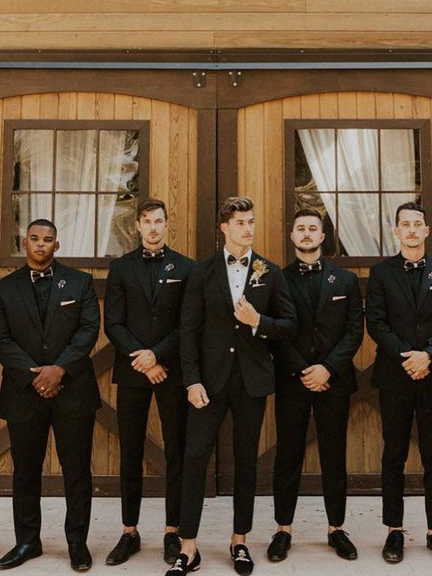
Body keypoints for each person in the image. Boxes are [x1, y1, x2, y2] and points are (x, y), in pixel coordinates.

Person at [167, 196, 297, 576]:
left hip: (251, 382)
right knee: (194, 461)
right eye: (240, 223)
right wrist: (191, 380)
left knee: (245, 463)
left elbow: (289, 325)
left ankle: (239, 541)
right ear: (224, 228)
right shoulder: (201, 272)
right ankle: (188, 547)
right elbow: (188, 331)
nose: (248, 228)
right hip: (207, 382)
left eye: (251, 222)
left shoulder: (270, 272)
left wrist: (259, 321)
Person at [0, 219, 101, 572]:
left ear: (57, 244)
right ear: (25, 244)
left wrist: (59, 369)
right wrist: (34, 375)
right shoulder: (4, 290)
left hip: (73, 391)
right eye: (34, 239)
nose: (40, 244)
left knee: (77, 471)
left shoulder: (80, 282)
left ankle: (77, 544)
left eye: (47, 240)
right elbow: (0, 338)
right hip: (25, 392)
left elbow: (88, 330)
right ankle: (27, 541)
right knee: (25, 471)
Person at [366, 201, 432, 565]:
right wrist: (408, 356)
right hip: (396, 376)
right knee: (394, 455)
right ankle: (394, 530)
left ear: (426, 230)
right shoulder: (381, 274)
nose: (410, 229)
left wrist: (429, 355)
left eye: (416, 224)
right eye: (404, 224)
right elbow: (376, 323)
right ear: (396, 231)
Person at [268, 209, 364, 563]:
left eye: (313, 229)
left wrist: (326, 368)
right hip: (293, 380)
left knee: (334, 455)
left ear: (323, 237)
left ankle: (336, 528)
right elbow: (276, 332)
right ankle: (282, 529)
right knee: (287, 455)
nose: (307, 234)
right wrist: (302, 370)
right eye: (301, 229)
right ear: (292, 237)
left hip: (334, 381)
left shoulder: (346, 281)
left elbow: (355, 331)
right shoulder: (277, 279)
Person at [104, 199, 193, 566]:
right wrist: (143, 360)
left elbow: (187, 324)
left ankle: (173, 531)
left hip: (172, 371)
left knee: (177, 451)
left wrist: (158, 355)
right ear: (138, 226)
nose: (153, 227)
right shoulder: (121, 268)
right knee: (131, 450)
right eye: (147, 222)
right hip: (133, 371)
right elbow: (114, 323)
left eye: (159, 221)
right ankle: (129, 531)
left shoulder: (186, 268)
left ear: (167, 225)